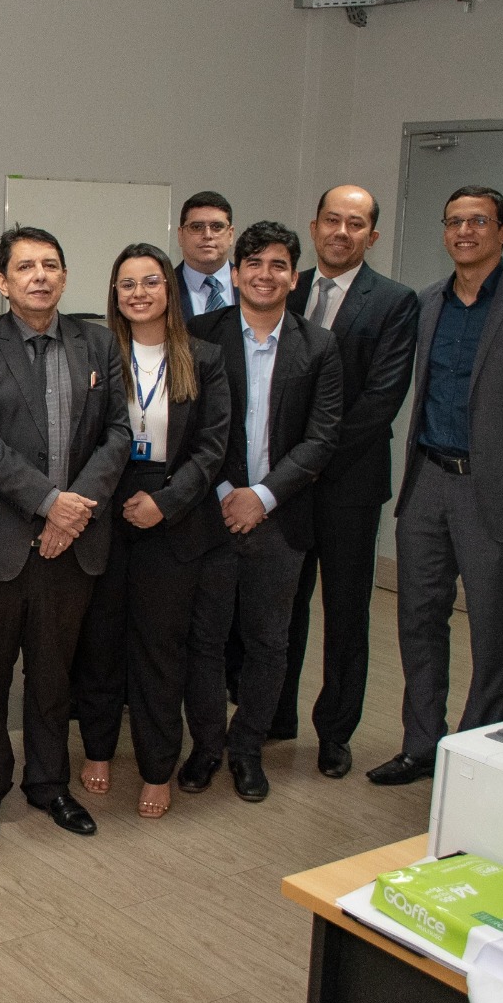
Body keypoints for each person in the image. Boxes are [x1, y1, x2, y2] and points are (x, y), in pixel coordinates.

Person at [369, 186, 503, 786]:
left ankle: (474, 750)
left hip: (493, 492)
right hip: (428, 485)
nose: (464, 231)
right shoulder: (429, 302)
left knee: (492, 630)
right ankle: (421, 745)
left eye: (478, 221)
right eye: (454, 222)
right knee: (417, 620)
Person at [0, 226, 131, 845]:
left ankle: (50, 784)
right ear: (3, 282)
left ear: (66, 277)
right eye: (25, 267)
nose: (40, 276)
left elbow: (117, 435)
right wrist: (50, 504)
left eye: (51, 265)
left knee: (54, 678)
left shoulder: (99, 344)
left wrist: (72, 513)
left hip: (71, 544)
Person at [181, 221, 342, 803]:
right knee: (205, 639)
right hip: (211, 513)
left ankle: (247, 749)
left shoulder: (318, 345)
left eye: (277, 265)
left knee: (269, 641)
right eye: (253, 264)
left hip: (283, 518)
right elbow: (190, 428)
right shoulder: (200, 336)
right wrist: (228, 491)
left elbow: (323, 438)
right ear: (236, 271)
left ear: (292, 277)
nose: (265, 275)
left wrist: (263, 495)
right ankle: (204, 746)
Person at [70, 243, 229, 818]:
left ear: (169, 290)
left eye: (151, 282)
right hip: (105, 504)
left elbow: (212, 449)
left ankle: (158, 766)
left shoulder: (204, 359)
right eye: (127, 283)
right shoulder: (94, 352)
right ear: (114, 294)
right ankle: (97, 750)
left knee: (160, 650)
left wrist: (164, 503)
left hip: (173, 514)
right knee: (100, 643)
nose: (139, 292)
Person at [270, 185, 418, 778]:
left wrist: (310, 457)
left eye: (355, 224)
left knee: (346, 613)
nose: (341, 232)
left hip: (349, 484)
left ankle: (334, 732)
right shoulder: (285, 285)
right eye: (332, 220)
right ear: (314, 225)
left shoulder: (394, 302)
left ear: (372, 237)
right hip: (285, 486)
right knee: (280, 608)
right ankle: (274, 715)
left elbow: (382, 399)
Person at [174, 191, 236, 319]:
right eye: (196, 227)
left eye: (217, 227)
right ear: (180, 236)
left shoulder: (252, 285)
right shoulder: (164, 288)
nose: (207, 235)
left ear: (230, 235)